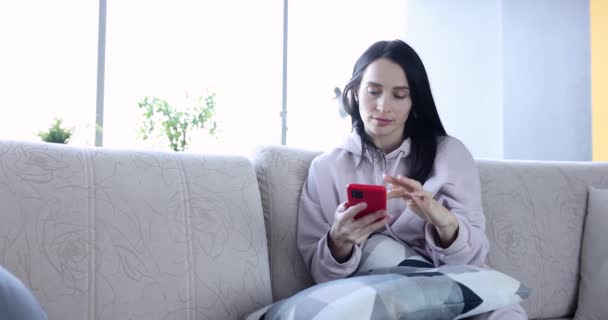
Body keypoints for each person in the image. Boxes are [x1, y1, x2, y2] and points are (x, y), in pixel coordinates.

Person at [296, 39, 527, 319]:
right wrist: (339, 241)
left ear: (413, 101)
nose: (383, 106)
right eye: (373, 91)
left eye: (399, 95)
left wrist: (443, 222)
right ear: (355, 92)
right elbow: (322, 276)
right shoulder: (325, 169)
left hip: (452, 292)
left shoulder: (449, 155)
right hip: (376, 297)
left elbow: (473, 261)